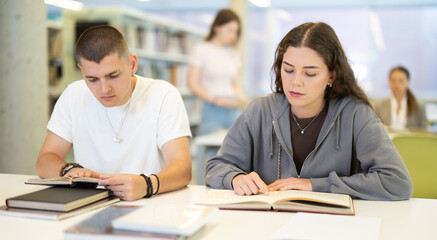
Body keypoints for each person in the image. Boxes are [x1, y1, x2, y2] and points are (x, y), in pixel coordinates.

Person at [205, 22, 413, 200]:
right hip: (267, 226)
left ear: (332, 76)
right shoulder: (259, 111)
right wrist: (235, 178)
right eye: (288, 70)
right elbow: (216, 167)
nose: (296, 82)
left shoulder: (356, 114)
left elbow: (397, 182)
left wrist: (314, 185)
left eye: (310, 74)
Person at [36, 26, 192, 201]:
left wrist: (146, 184)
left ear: (132, 64)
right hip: (89, 203)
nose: (104, 89)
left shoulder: (163, 95)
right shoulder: (74, 94)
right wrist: (68, 170)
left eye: (113, 76)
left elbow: (183, 168)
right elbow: (44, 161)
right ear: (81, 70)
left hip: (149, 203)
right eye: (92, 79)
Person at [187, 9, 250, 135]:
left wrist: (247, 103)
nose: (233, 36)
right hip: (212, 107)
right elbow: (192, 83)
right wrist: (216, 100)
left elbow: (234, 85)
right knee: (211, 151)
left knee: (235, 150)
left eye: (236, 32)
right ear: (217, 27)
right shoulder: (201, 49)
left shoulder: (233, 53)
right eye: (230, 30)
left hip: (232, 108)